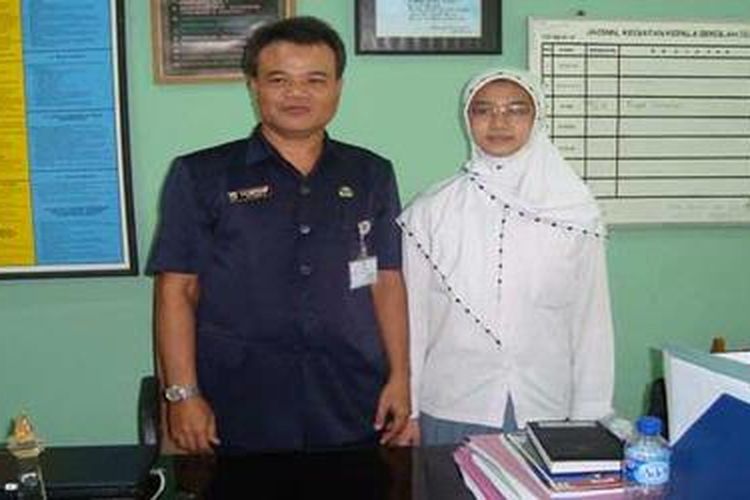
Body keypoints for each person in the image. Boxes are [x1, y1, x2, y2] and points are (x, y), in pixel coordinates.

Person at [147, 16, 409, 454]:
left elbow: (387, 280)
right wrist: (182, 394)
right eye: (279, 79)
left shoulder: (371, 173)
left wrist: (401, 377)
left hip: (351, 397)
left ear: (338, 87)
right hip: (236, 402)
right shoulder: (200, 175)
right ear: (254, 86)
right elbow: (177, 290)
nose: (296, 93)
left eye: (314, 80)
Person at [396, 68, 614, 446]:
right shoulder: (430, 211)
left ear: (537, 118)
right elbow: (413, 320)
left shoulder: (574, 211)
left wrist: (590, 416)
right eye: (484, 110)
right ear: (468, 119)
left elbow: (591, 323)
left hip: (547, 406)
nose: (499, 122)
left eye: (516, 110)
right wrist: (410, 410)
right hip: (451, 406)